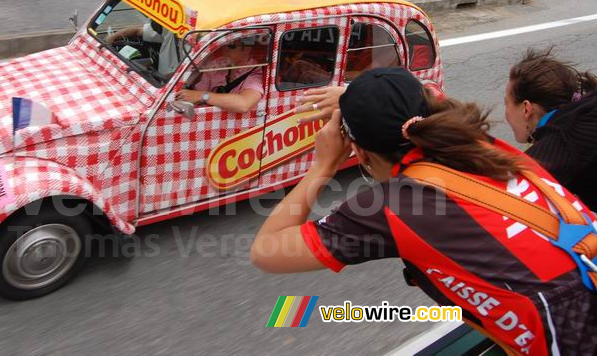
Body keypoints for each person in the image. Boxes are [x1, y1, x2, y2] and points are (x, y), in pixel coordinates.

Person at [250, 68, 596, 355]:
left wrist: (322, 166)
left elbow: (267, 251)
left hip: (571, 337)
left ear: (359, 152)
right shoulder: (480, 144)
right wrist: (359, 98)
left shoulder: (394, 205)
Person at [504, 48, 597, 208]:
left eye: (507, 103)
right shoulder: (585, 108)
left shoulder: (560, 143)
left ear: (526, 108)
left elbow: (507, 192)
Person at [175, 37, 264, 114]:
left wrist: (202, 96)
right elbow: (197, 91)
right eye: (224, 44)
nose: (224, 49)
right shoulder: (220, 63)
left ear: (247, 49)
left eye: (231, 46)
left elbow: (244, 104)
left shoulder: (255, 74)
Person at [106, 20, 180, 75]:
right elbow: (138, 31)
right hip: (158, 78)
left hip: (169, 85)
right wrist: (113, 37)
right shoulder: (172, 29)